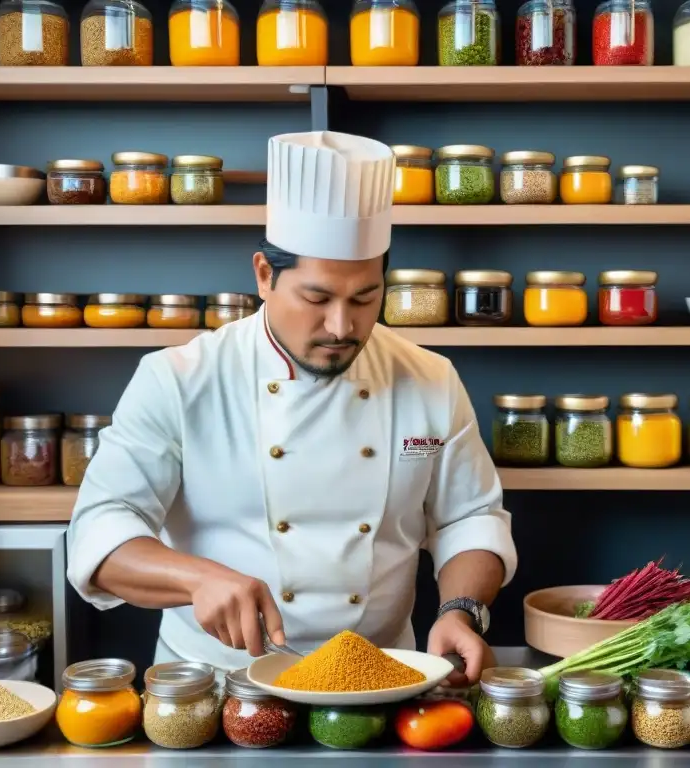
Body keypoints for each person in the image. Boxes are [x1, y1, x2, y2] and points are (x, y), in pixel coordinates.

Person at [65, 131, 517, 686]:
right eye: (317, 298)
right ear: (263, 275)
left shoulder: (429, 378)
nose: (341, 327)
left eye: (365, 298)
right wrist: (195, 579)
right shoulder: (179, 378)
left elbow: (469, 517)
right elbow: (99, 533)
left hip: (380, 682)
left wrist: (461, 611)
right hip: (215, 689)